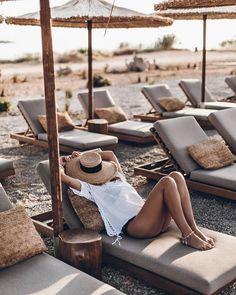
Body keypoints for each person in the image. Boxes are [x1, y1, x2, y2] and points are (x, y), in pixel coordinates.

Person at [60, 150, 214, 251]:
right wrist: (65, 160)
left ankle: (194, 229)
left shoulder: (117, 176)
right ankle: (187, 235)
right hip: (137, 226)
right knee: (167, 182)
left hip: (153, 219)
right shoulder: (88, 188)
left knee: (176, 176)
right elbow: (60, 175)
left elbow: (110, 154)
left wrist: (83, 155)